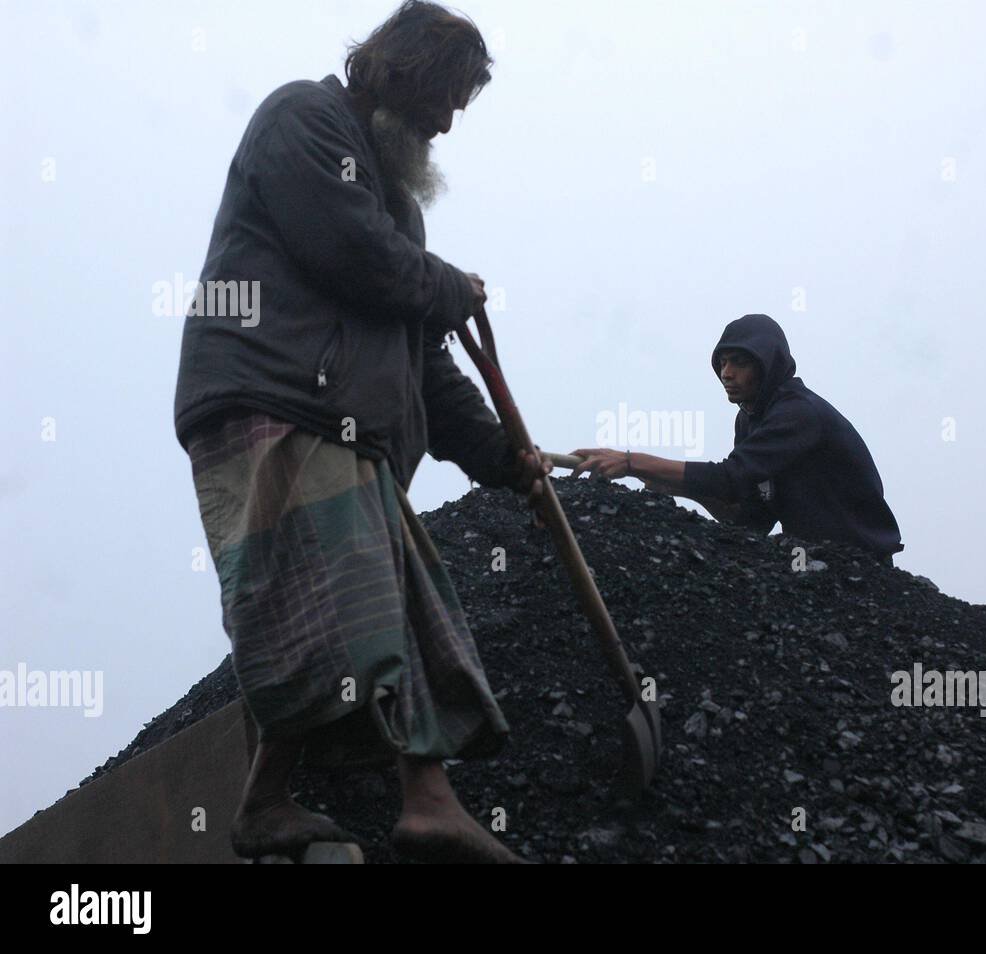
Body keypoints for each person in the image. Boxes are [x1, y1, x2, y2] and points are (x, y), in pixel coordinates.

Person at [173, 1, 545, 863]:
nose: (448, 122)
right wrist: (449, 285)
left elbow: (426, 365)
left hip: (348, 433)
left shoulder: (400, 219)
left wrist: (501, 457)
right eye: (444, 97)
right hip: (273, 402)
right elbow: (354, 253)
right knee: (346, 601)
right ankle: (421, 801)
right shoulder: (300, 119)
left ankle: (299, 803)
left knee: (373, 605)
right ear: (399, 71)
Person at [572, 314, 903, 564]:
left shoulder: (799, 414)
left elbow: (730, 477)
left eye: (740, 362)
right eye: (723, 362)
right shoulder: (749, 419)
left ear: (768, 365)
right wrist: (675, 486)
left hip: (858, 563)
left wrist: (631, 462)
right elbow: (750, 519)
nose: (727, 373)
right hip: (807, 561)